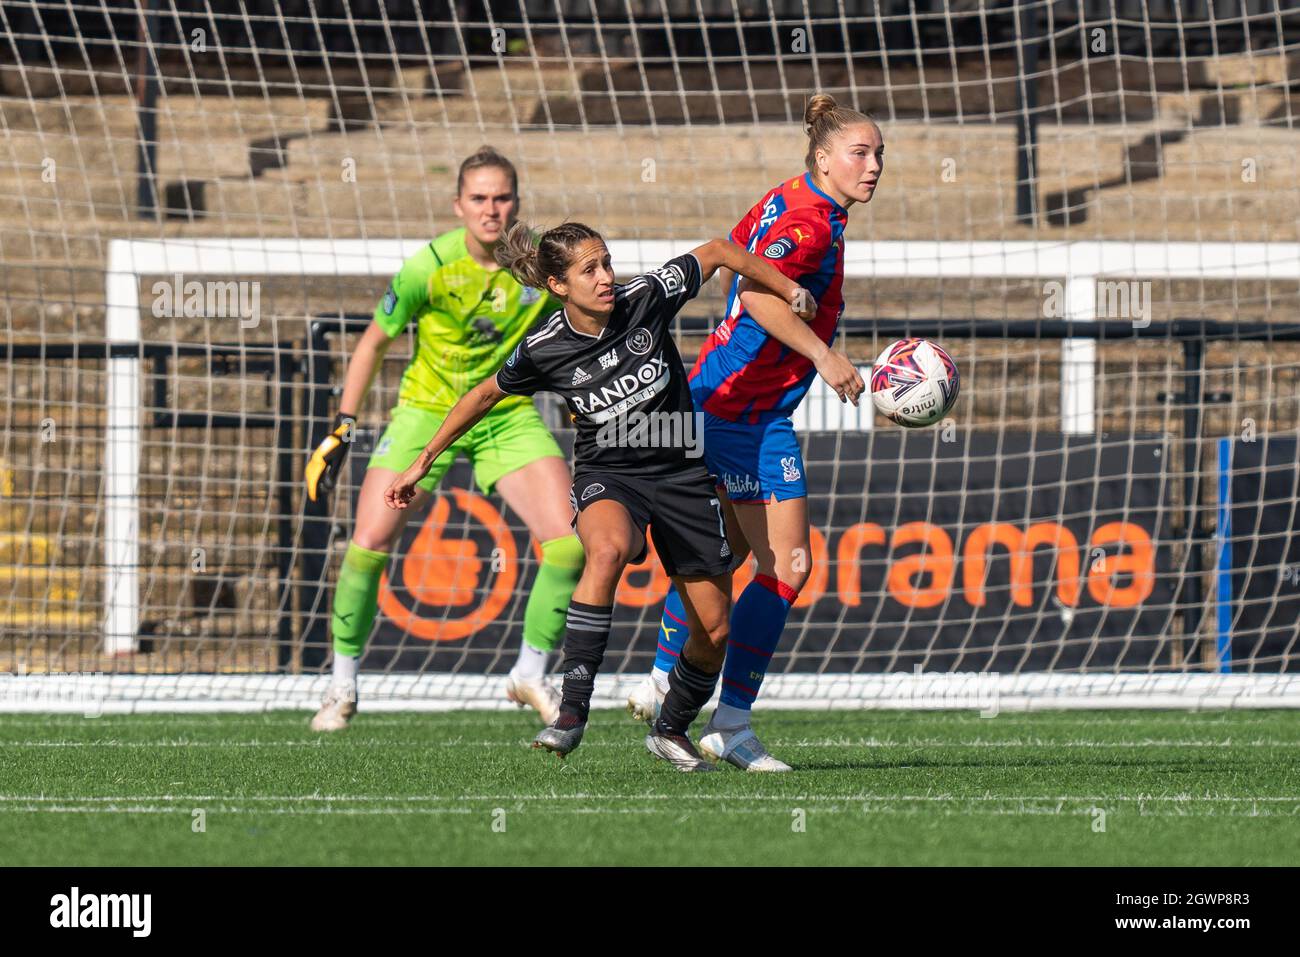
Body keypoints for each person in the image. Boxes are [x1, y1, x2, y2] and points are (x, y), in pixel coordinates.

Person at [385, 221, 818, 771]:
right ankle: (571, 712)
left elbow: (716, 250)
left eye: (607, 263)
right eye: (589, 270)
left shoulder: (646, 297)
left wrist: (786, 286)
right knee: (607, 549)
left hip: (682, 471)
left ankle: (672, 728)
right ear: (558, 285)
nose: (606, 277)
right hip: (609, 473)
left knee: (715, 631)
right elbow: (482, 395)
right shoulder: (544, 347)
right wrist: (421, 463)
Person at [629, 94, 881, 771]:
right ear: (823, 157)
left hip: (719, 396)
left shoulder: (790, 199)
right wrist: (824, 355)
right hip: (745, 414)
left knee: (728, 556)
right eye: (860, 153)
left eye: (879, 152)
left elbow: (739, 260)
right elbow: (764, 294)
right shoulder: (811, 223)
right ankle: (729, 722)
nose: (874, 165)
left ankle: (661, 678)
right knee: (788, 565)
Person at [304, 147, 584, 731]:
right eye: (479, 198)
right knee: (366, 544)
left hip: (504, 416)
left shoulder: (537, 271)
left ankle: (530, 673)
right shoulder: (426, 266)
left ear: (517, 202)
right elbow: (372, 344)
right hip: (426, 414)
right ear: (458, 205)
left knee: (569, 545)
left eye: (502, 197)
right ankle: (341, 686)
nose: (491, 209)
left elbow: (581, 329)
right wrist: (343, 425)